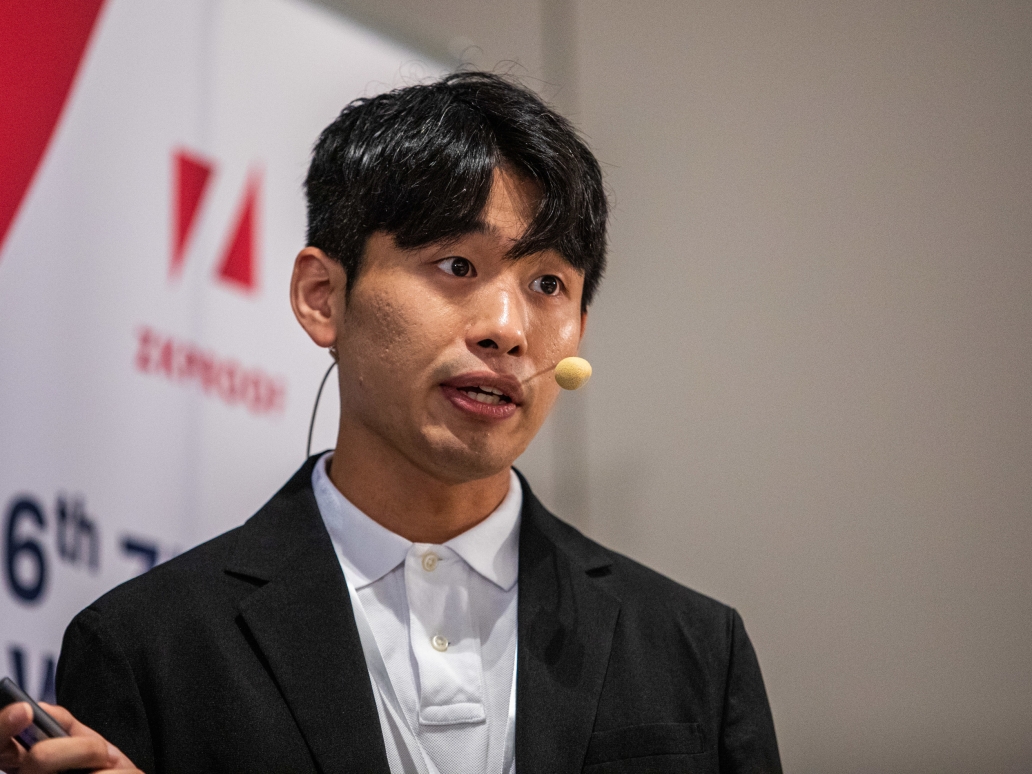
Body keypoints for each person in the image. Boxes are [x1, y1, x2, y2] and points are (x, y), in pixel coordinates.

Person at [0, 72, 781, 774]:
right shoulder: (150, 645)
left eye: (548, 284)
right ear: (322, 297)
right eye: (457, 266)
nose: (508, 329)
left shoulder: (693, 649)